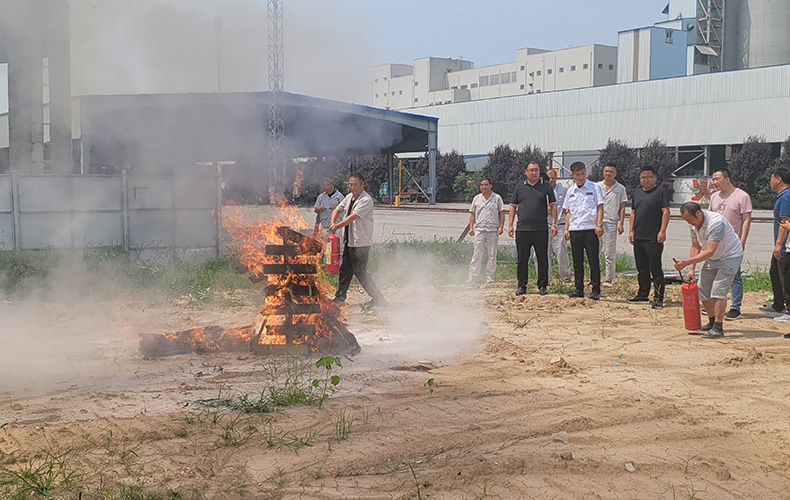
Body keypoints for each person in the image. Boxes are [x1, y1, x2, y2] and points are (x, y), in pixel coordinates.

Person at [674, 202, 744, 338]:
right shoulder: (692, 225)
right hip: (713, 257)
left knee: (718, 291)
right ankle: (712, 322)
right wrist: (691, 269)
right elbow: (695, 247)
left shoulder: (716, 223)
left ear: (699, 213)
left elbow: (710, 251)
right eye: (687, 221)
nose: (690, 223)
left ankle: (718, 327)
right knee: (702, 289)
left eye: (691, 220)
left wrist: (686, 262)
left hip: (730, 256)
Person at [329, 173, 387, 307]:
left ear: (362, 184)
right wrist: (333, 222)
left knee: (360, 271)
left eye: (355, 184)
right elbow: (337, 210)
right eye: (350, 184)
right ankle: (340, 297)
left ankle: (378, 298)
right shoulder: (349, 197)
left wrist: (337, 225)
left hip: (361, 242)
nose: (352, 187)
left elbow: (352, 217)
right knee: (345, 270)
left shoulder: (366, 200)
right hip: (349, 241)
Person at [508, 162, 557, 296]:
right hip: (523, 229)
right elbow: (512, 206)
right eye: (531, 170)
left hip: (541, 229)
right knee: (522, 259)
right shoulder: (519, 187)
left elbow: (553, 205)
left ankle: (542, 285)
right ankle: (522, 286)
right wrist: (510, 225)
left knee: (542, 258)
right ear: (526, 172)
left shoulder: (545, 186)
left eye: (536, 170)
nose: (534, 173)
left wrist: (554, 224)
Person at [708, 168, 752, 320]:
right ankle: (715, 306)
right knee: (713, 273)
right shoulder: (714, 197)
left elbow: (746, 219)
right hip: (715, 243)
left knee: (735, 276)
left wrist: (742, 240)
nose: (714, 182)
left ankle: (735, 308)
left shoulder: (742, 196)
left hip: (733, 244)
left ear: (727, 179)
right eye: (713, 179)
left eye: (717, 179)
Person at [628, 166, 670, 309]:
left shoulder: (660, 192)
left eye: (649, 177)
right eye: (643, 178)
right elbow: (633, 213)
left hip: (653, 237)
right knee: (642, 268)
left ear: (655, 178)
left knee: (655, 268)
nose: (646, 180)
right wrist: (631, 231)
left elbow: (665, 212)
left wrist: (662, 231)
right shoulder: (637, 193)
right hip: (639, 236)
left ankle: (658, 297)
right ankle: (643, 293)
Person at [562, 161, 604, 300]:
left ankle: (595, 289)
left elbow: (599, 207)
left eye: (583, 174)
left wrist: (599, 224)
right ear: (572, 175)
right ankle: (579, 289)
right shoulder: (571, 191)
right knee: (577, 261)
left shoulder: (594, 187)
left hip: (590, 229)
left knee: (593, 260)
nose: (581, 177)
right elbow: (568, 211)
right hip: (575, 230)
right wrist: (566, 229)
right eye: (578, 175)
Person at [763, 167, 790, 321]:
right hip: (782, 246)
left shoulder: (786, 196)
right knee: (775, 273)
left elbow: (785, 223)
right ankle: (778, 305)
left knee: (785, 278)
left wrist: (779, 244)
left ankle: (788, 310)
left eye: (771, 178)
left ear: (778, 179)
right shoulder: (782, 196)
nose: (770, 181)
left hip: (786, 247)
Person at [467, 178, 505, 284]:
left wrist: (501, 226)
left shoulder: (497, 198)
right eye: (482, 185)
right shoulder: (477, 199)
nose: (484, 187)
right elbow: (472, 214)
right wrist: (471, 227)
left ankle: (489, 275)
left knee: (492, 254)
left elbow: (501, 212)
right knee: (477, 253)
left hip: (493, 229)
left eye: (486, 185)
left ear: (490, 185)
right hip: (480, 229)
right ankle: (473, 276)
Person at [596, 164, 628, 286]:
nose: (608, 173)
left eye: (611, 171)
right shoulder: (597, 186)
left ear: (615, 173)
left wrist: (621, 223)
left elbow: (622, 207)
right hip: (597, 223)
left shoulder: (620, 188)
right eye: (606, 171)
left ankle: (609, 277)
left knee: (609, 252)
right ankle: (595, 277)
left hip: (611, 223)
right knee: (595, 251)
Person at [545, 168, 572, 282]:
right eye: (549, 178)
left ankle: (565, 276)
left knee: (561, 252)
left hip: (560, 225)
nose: (551, 180)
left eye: (553, 178)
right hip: (545, 225)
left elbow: (568, 208)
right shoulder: (541, 190)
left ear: (556, 178)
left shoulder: (564, 190)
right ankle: (546, 277)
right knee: (544, 253)